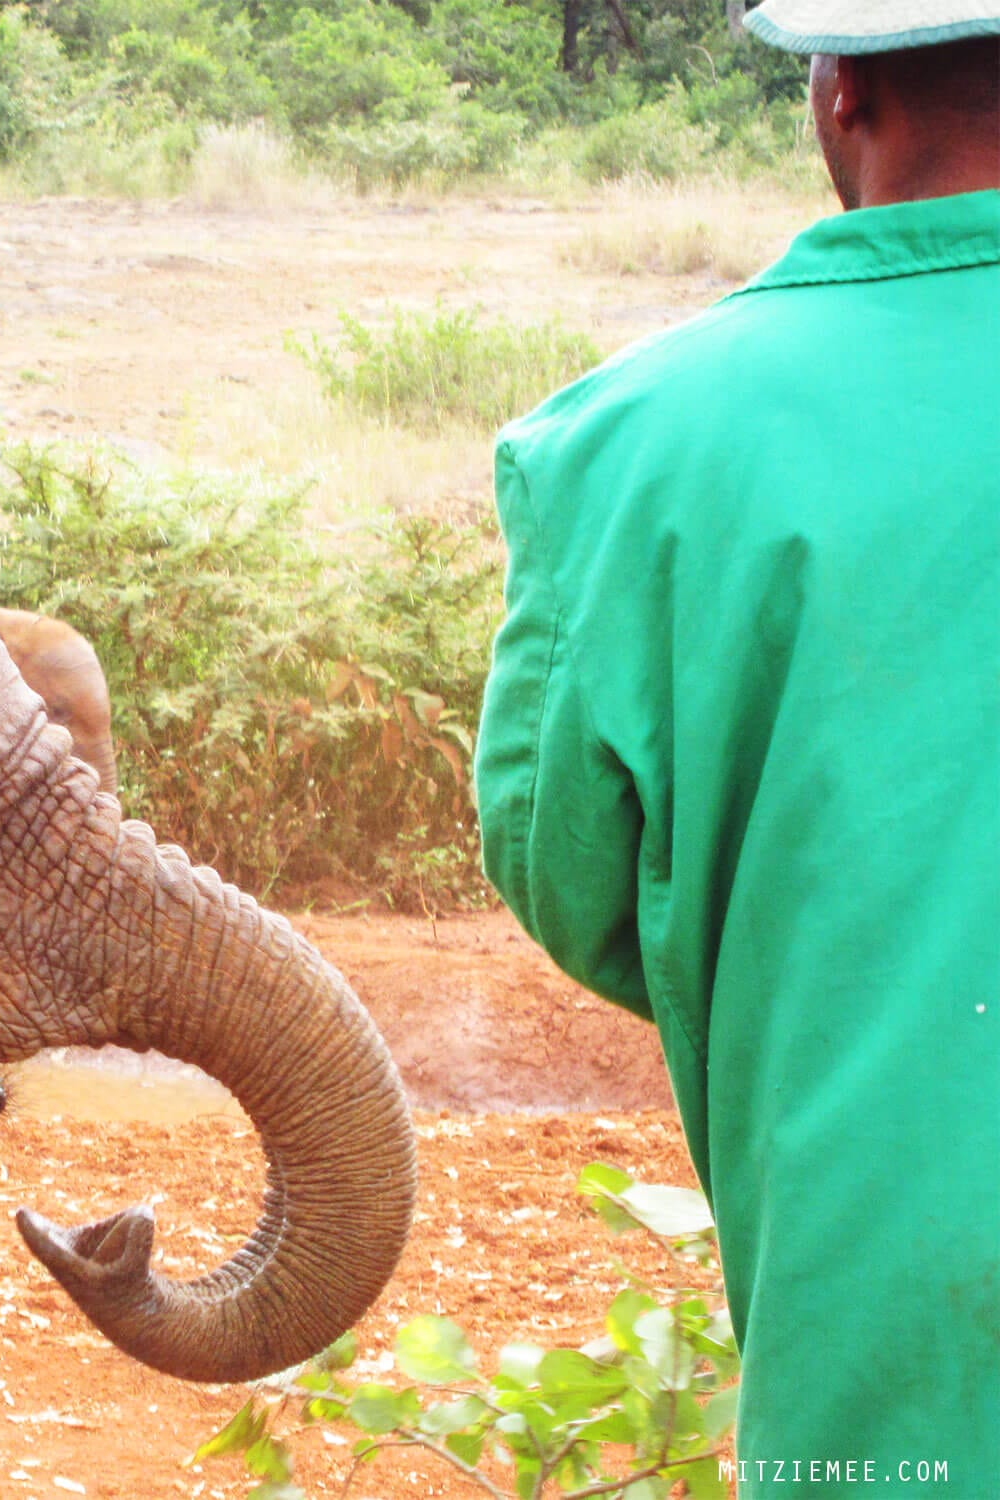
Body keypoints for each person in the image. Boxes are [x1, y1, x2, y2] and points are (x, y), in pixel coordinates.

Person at [475, 0, 1000, 1492]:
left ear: (840, 95)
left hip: (895, 1363)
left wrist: (826, 960)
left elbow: (576, 872)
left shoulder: (636, 438)